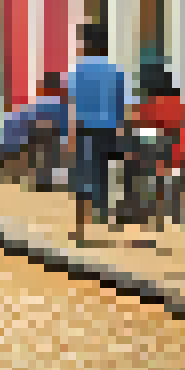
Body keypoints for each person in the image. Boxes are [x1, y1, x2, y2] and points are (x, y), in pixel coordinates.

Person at [67, 24, 129, 241]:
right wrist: (120, 131)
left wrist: (71, 134)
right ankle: (108, 224)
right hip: (110, 130)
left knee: (83, 178)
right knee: (105, 177)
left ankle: (80, 229)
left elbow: (73, 106)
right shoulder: (116, 71)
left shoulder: (80, 70)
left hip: (86, 130)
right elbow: (122, 107)